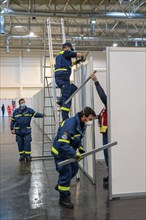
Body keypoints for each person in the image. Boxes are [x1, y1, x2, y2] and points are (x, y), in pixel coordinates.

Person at [51, 106, 96, 209]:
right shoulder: (70, 124)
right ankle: (63, 198)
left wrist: (79, 147)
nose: (90, 122)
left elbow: (76, 137)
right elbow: (62, 144)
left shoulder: (81, 124)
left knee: (74, 169)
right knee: (66, 173)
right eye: (90, 119)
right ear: (84, 116)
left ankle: (61, 185)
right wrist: (74, 154)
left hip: (68, 152)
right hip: (61, 153)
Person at [55, 42, 85, 121]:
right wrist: (82, 55)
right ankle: (65, 119)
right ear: (68, 47)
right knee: (67, 97)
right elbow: (75, 54)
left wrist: (77, 62)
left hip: (63, 78)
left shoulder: (61, 56)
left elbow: (68, 64)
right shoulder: (65, 52)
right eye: (70, 49)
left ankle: (60, 101)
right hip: (63, 78)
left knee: (74, 89)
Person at [91, 73, 109, 188]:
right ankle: (110, 174)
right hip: (105, 133)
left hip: (108, 133)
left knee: (108, 155)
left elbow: (102, 96)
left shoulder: (110, 103)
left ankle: (111, 175)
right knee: (106, 155)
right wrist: (94, 117)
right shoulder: (106, 107)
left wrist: (96, 81)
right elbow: (103, 115)